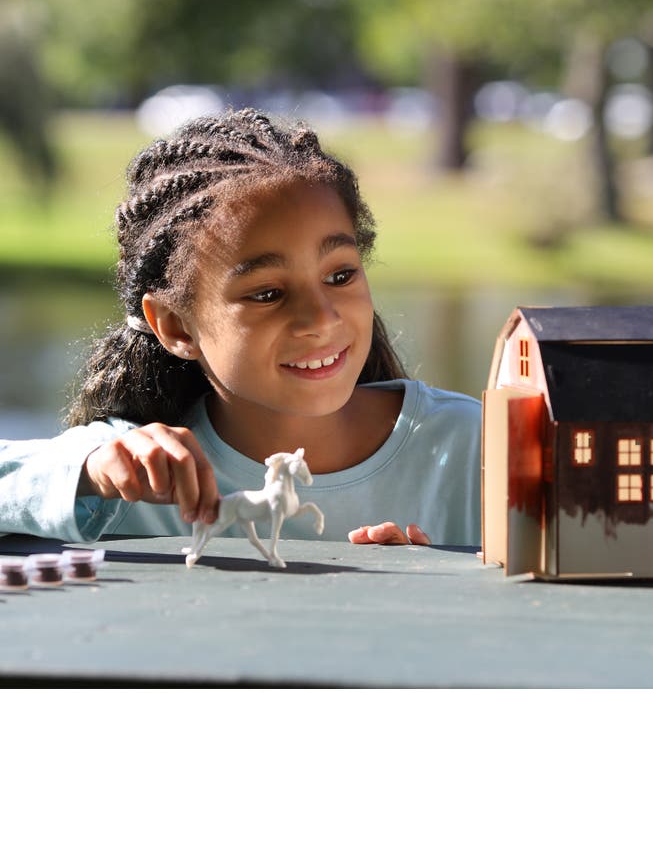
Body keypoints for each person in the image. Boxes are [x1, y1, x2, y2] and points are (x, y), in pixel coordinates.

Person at [0, 108, 481, 550]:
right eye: (267, 293)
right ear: (175, 326)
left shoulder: (474, 447)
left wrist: (439, 587)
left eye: (340, 276)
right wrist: (87, 473)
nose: (321, 318)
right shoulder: (127, 473)